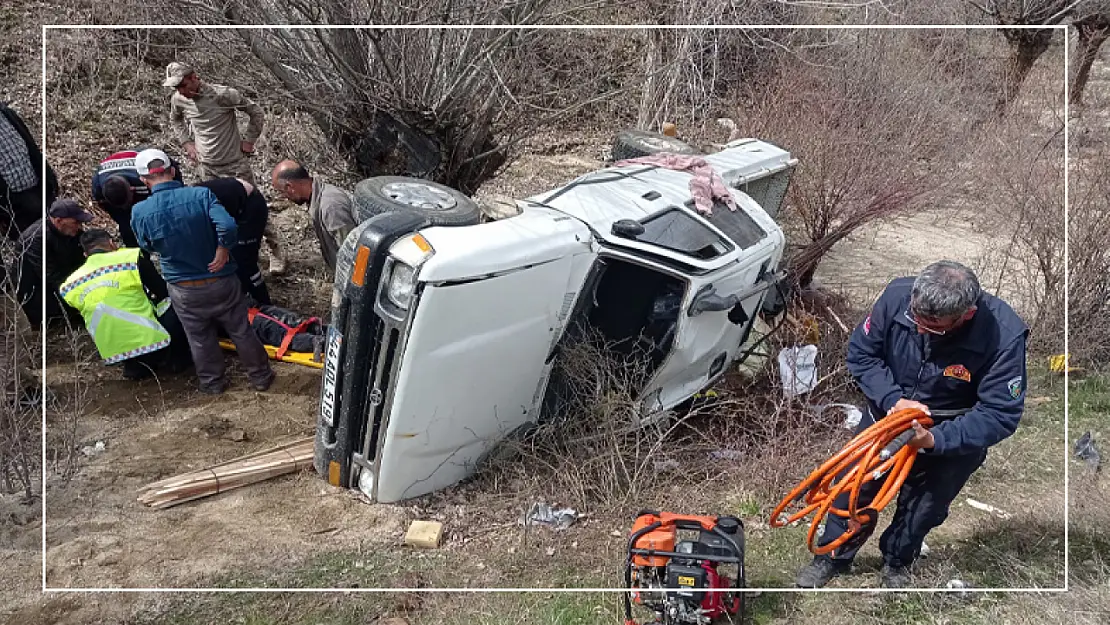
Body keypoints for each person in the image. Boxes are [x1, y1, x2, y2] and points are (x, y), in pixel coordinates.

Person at [794, 260, 1029, 589]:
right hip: (886, 419)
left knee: (925, 506)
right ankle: (832, 556)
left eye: (932, 327)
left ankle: (898, 561)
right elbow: (863, 355)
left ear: (967, 315)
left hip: (950, 432)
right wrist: (893, 400)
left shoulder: (1003, 335)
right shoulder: (897, 297)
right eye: (915, 319)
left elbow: (1000, 412)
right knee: (853, 488)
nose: (919, 329)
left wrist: (934, 440)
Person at [129, 148, 274, 394]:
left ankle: (213, 383)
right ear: (172, 171)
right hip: (221, 280)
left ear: (144, 180)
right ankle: (260, 377)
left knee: (198, 336)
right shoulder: (201, 195)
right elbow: (227, 225)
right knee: (240, 329)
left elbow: (145, 245)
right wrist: (223, 249)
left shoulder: (140, 212)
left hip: (183, 287)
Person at [163, 62, 286, 275]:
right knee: (215, 210)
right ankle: (231, 250)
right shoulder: (179, 99)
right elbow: (175, 120)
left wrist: (249, 140)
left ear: (194, 77)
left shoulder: (224, 95)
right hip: (206, 167)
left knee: (253, 208)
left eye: (183, 85)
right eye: (177, 88)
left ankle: (276, 252)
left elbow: (255, 112)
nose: (182, 91)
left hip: (235, 164)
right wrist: (187, 143)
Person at [59, 229, 192, 380]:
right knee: (171, 301)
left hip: (114, 349)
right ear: (112, 243)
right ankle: (178, 359)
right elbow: (161, 290)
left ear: (85, 255)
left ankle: (134, 366)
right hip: (152, 339)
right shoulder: (130, 259)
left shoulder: (70, 284)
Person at [192, 176, 272, 305]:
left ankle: (264, 304)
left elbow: (227, 227)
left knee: (245, 262)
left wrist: (223, 247)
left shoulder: (193, 208)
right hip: (230, 204)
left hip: (249, 205)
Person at [270, 159, 358, 272]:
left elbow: (354, 252)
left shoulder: (330, 207)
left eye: (282, 192)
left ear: (289, 187)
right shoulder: (317, 198)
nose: (284, 197)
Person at [90, 148, 184, 248]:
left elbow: (172, 188)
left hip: (146, 174)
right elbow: (103, 204)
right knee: (127, 228)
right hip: (119, 195)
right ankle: (137, 254)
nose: (126, 207)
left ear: (132, 189)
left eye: (127, 202)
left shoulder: (149, 172)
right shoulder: (98, 182)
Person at [0, 101, 58, 241]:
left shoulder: (6, 113)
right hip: (14, 203)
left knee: (57, 235)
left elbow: (30, 145)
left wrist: (49, 177)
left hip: (39, 187)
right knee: (32, 244)